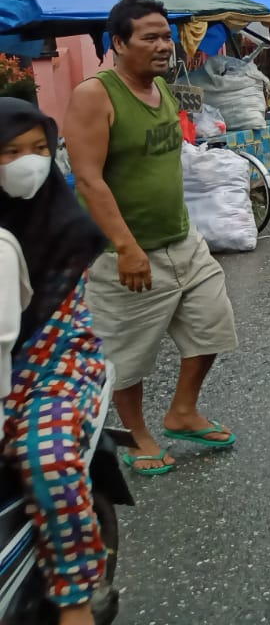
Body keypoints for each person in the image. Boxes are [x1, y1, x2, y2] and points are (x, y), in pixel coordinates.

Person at [65, 0, 239, 477]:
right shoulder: (95, 95)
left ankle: (182, 411)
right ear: (118, 43)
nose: (164, 45)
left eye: (166, 35)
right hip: (124, 251)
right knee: (130, 353)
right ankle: (137, 434)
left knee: (212, 323)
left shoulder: (163, 89)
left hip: (182, 239)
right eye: (150, 37)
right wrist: (126, 247)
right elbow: (89, 179)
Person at [1, 99, 109, 625]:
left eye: (39, 150)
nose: (29, 163)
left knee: (49, 459)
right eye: (11, 153)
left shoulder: (66, 229)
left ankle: (74, 599)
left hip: (55, 370)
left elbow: (55, 330)